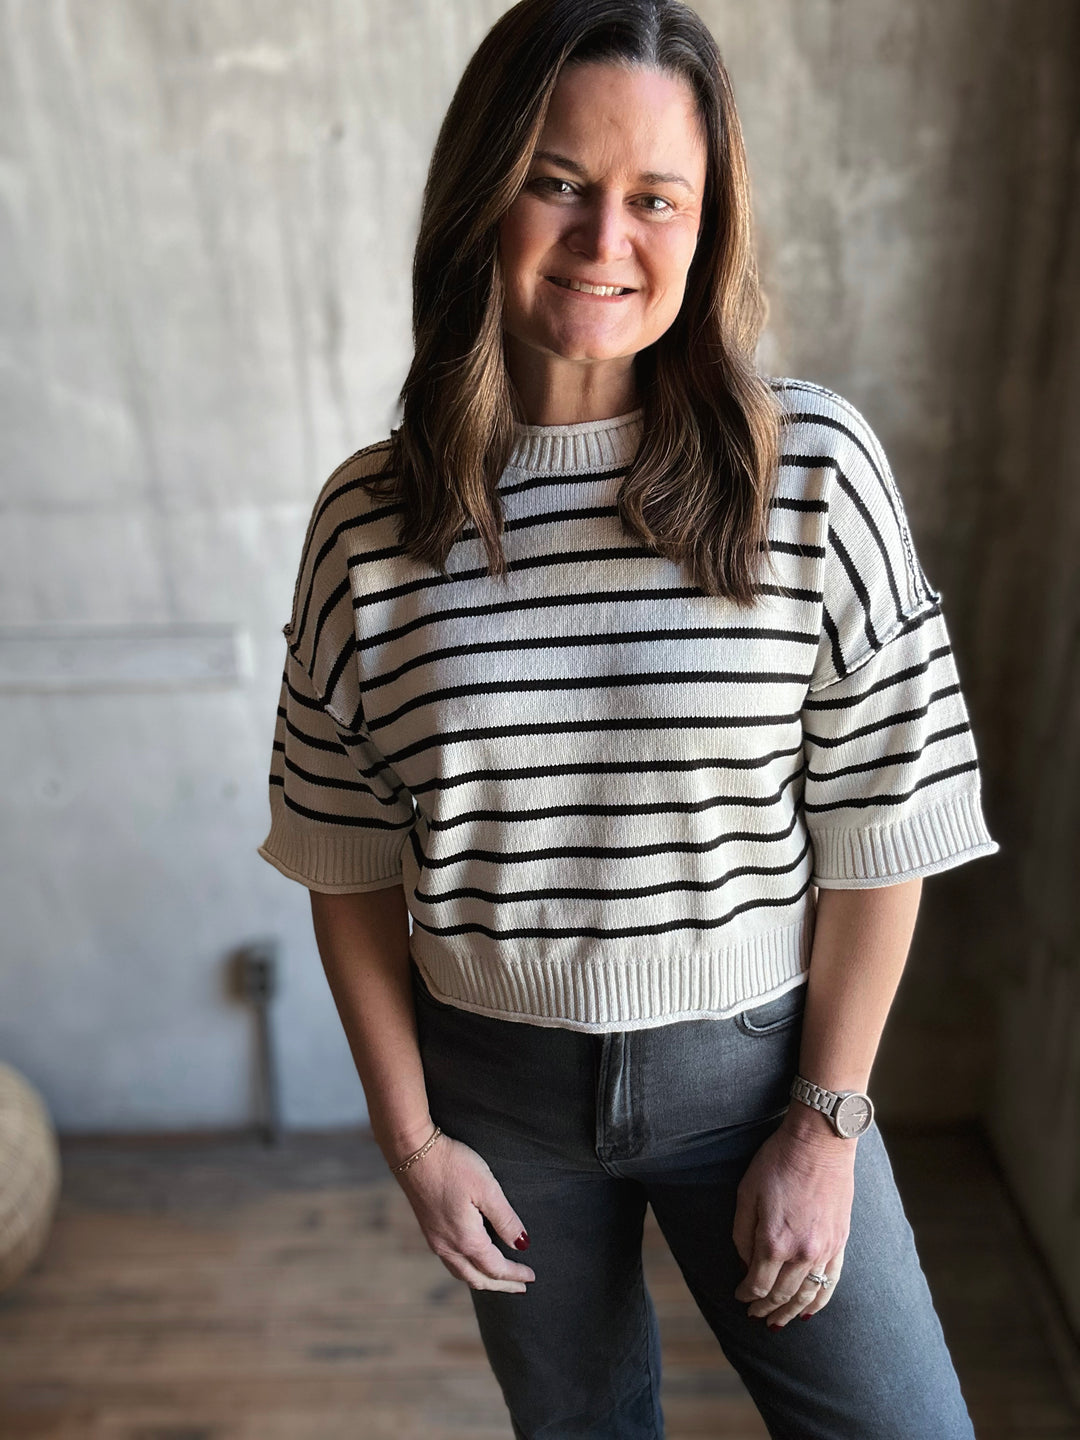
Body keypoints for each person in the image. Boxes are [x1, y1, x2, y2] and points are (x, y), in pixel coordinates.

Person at [258, 2, 1000, 1435]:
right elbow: (343, 863)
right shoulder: (370, 520)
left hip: (758, 1075)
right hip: (498, 1101)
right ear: (485, 190)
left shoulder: (813, 472)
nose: (608, 240)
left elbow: (883, 819)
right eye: (559, 181)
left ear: (706, 222)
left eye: (656, 196)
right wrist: (413, 1141)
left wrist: (828, 1120)